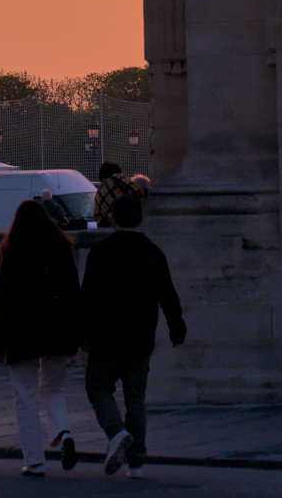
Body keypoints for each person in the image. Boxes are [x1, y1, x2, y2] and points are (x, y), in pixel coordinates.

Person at [81, 194, 185, 477]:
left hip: (106, 336)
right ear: (140, 219)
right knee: (135, 397)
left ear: (113, 219)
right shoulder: (152, 252)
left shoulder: (101, 252)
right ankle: (136, 461)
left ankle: (116, 433)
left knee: (98, 387)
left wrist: (85, 333)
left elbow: (88, 297)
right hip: (140, 336)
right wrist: (177, 326)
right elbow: (167, 294)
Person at [0, 200, 81, 478]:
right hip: (55, 331)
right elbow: (72, 294)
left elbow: (3, 299)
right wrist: (75, 333)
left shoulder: (13, 251)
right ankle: (63, 432)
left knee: (25, 397)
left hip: (22, 332)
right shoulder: (61, 248)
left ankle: (34, 460)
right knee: (53, 390)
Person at [92, 163, 139, 229]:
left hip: (114, 230)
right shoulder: (116, 178)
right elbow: (137, 190)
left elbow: (98, 217)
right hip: (130, 225)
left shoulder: (98, 194)